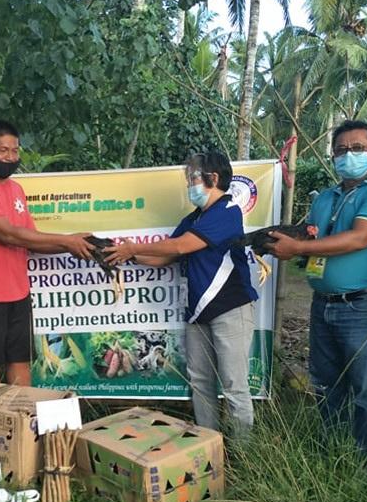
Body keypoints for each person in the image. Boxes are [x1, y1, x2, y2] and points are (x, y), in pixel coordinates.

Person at [268, 120, 367, 472]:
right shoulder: (326, 197)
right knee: (327, 386)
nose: (348, 155)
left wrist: (298, 247)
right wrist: (282, 242)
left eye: (357, 148)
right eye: (341, 150)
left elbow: (360, 237)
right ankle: (336, 459)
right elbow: (313, 239)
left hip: (365, 306)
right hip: (323, 304)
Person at [105, 151, 258, 433]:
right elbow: (166, 256)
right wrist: (126, 255)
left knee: (234, 385)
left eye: (193, 178)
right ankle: (208, 443)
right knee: (199, 382)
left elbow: (180, 246)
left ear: (213, 178)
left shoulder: (227, 211)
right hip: (197, 311)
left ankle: (245, 451)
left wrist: (133, 248)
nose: (189, 184)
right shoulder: (193, 219)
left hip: (229, 307)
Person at [0, 120, 94, 386]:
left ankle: (23, 415)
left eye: (15, 151)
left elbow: (31, 239)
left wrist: (79, 246)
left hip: (18, 293)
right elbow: (7, 234)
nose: (10, 157)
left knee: (21, 365)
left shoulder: (16, 189)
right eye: (3, 151)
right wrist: (67, 242)